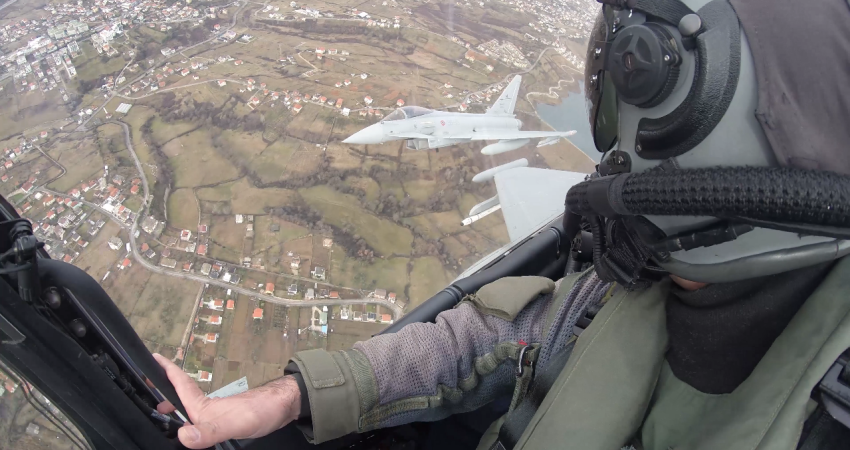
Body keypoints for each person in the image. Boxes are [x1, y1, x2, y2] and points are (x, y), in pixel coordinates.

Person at [156, 0, 850, 448]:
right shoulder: (634, 277)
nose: (609, 157)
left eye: (627, 93)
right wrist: (292, 397)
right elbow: (488, 342)